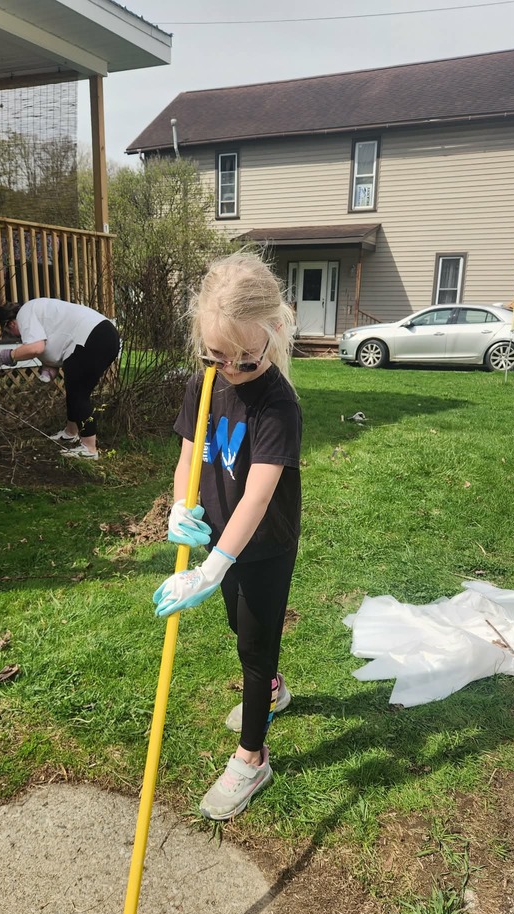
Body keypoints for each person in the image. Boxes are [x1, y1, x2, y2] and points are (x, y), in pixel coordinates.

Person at [153, 252, 302, 821]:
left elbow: (260, 495)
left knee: (254, 647)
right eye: (217, 355)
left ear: (273, 331)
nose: (230, 369)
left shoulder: (278, 403)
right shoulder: (204, 380)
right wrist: (179, 507)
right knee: (237, 624)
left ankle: (252, 757)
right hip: (216, 532)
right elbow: (189, 454)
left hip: (263, 542)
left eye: (244, 358)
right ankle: (273, 689)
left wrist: (212, 566)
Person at [0, 298, 121, 461]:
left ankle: (89, 448)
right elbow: (53, 346)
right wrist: (50, 366)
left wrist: (4, 356)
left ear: (11, 324)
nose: (17, 338)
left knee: (79, 393)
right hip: (104, 335)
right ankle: (71, 433)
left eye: (10, 333)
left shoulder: (24, 314)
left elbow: (36, 348)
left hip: (93, 336)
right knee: (74, 387)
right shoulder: (36, 311)